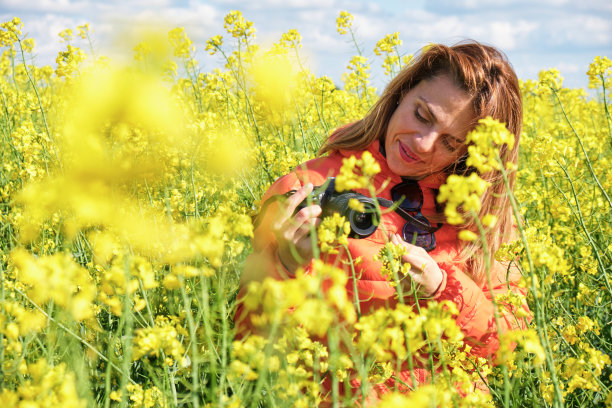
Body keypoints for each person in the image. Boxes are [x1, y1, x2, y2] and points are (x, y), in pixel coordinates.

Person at [235, 40, 530, 401]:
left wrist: (443, 289)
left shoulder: (482, 217)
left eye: (450, 143)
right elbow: (252, 345)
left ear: (469, 156)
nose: (423, 144)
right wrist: (284, 266)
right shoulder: (305, 188)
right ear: (400, 94)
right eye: (422, 115)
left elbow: (507, 346)